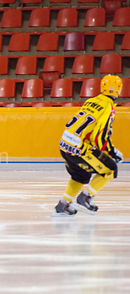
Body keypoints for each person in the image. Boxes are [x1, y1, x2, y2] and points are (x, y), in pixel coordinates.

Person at [54, 74, 124, 216]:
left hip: (64, 143)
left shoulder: (91, 101)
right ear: (118, 90)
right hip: (79, 148)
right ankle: (86, 196)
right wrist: (112, 152)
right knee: (110, 169)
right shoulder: (108, 107)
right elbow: (100, 135)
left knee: (79, 176)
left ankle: (63, 204)